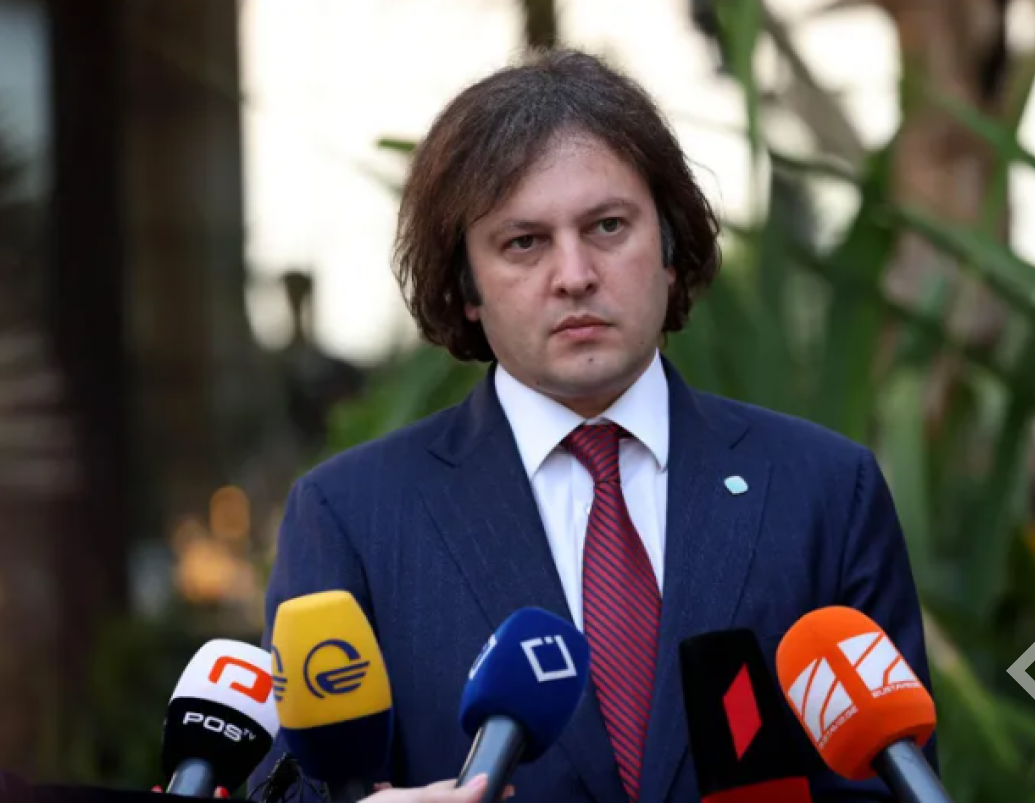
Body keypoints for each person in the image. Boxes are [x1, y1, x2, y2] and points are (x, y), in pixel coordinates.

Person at [247, 48, 939, 803]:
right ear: (467, 286)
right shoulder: (352, 514)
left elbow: (894, 778)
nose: (574, 275)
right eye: (524, 242)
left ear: (669, 248)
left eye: (607, 226)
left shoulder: (824, 489)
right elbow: (290, 781)